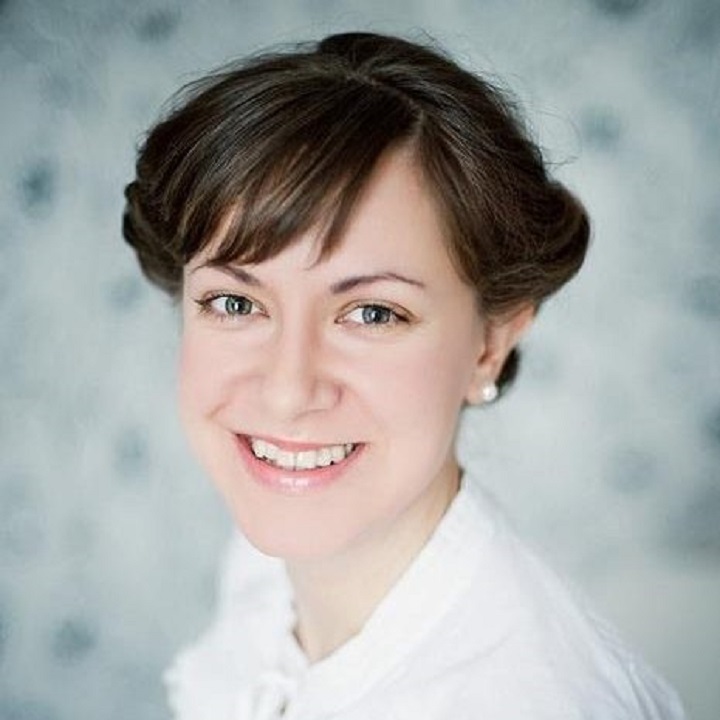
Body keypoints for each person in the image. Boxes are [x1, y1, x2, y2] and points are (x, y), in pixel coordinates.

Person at [123, 31, 685, 720]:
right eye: (235, 303)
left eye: (373, 313)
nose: (287, 391)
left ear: (489, 345)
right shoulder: (264, 559)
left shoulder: (537, 703)